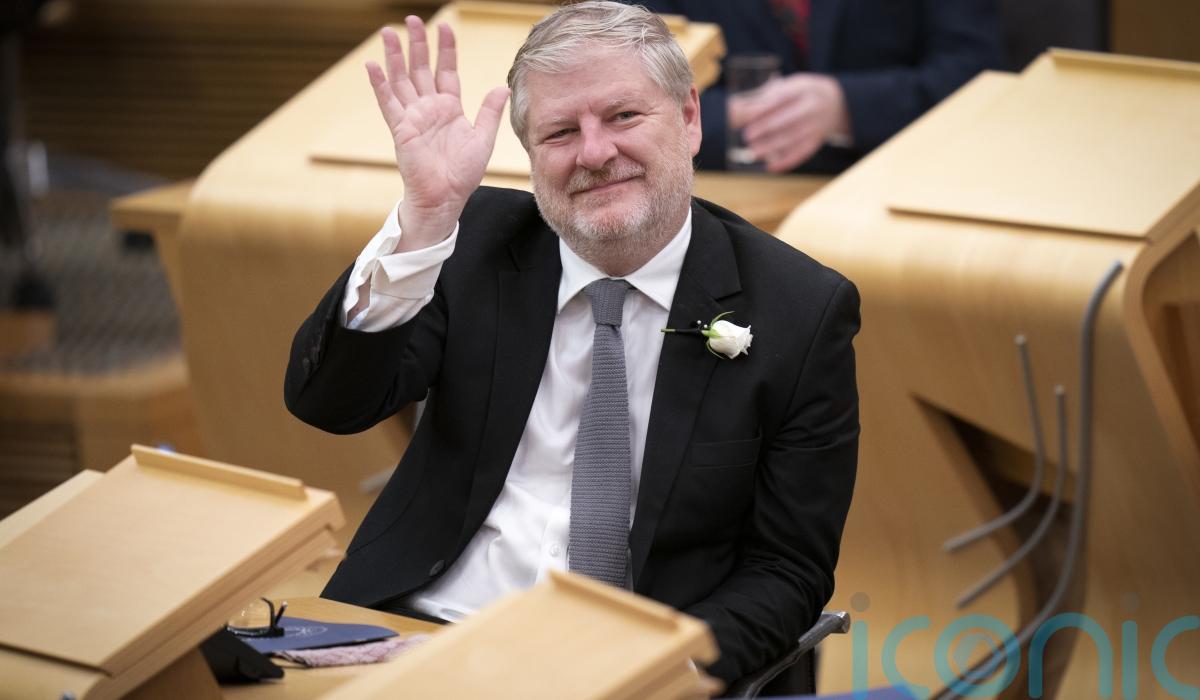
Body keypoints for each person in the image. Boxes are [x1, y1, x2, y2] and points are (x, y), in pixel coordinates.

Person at [284, 1, 859, 684]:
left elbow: (787, 569)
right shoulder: (469, 241)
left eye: (623, 116)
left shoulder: (799, 309)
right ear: (529, 155)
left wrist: (661, 674)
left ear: (689, 119)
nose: (595, 153)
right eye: (560, 132)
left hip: (626, 666)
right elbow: (330, 403)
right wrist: (424, 219)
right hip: (419, 633)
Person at [632, 0, 1004, 173]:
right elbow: (625, 80)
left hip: (904, 184)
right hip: (727, 199)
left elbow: (981, 77)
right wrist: (711, 116)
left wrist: (847, 106)